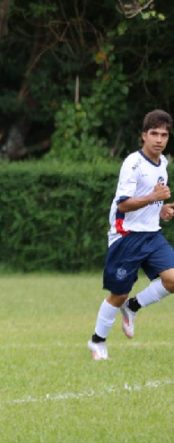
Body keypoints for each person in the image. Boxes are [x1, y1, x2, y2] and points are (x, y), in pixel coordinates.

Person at [89, 109, 174, 360]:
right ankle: (97, 341)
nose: (159, 139)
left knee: (173, 280)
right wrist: (154, 197)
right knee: (119, 294)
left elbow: (149, 199)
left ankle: (133, 307)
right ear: (144, 135)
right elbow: (124, 205)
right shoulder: (132, 164)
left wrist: (161, 208)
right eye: (154, 134)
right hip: (126, 236)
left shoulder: (163, 163)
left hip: (152, 235)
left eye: (164, 135)